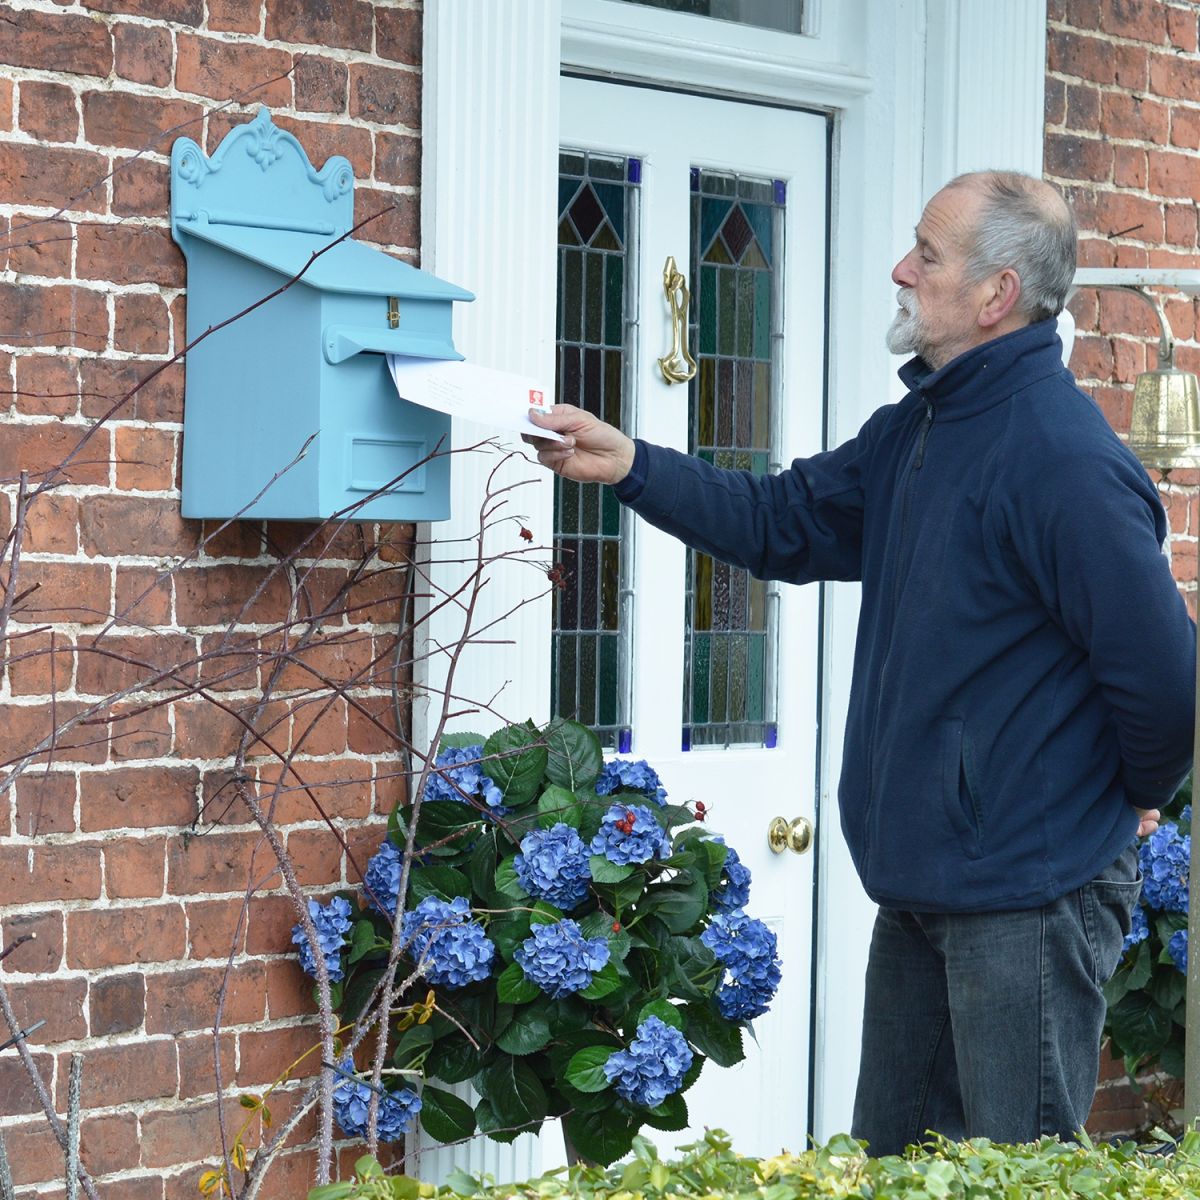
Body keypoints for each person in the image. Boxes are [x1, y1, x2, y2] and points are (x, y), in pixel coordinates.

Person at [525, 170, 1197, 1154]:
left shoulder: (1065, 461)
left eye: (927, 255)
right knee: (894, 1169)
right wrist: (630, 463)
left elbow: (1167, 680)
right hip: (925, 889)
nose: (901, 269)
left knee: (1022, 1176)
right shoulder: (919, 429)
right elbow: (781, 523)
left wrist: (1137, 794)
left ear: (995, 294)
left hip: (1031, 900)